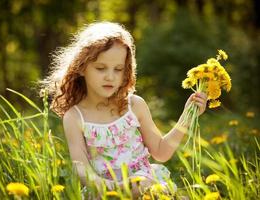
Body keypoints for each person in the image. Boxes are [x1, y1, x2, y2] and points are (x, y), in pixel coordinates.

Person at [41, 21, 207, 198]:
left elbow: (161, 152)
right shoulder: (74, 117)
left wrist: (187, 117)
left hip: (143, 184)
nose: (110, 76)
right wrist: (116, 187)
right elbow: (82, 169)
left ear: (126, 71)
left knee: (149, 187)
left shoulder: (134, 106)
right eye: (100, 68)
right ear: (81, 68)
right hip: (104, 191)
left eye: (118, 69)